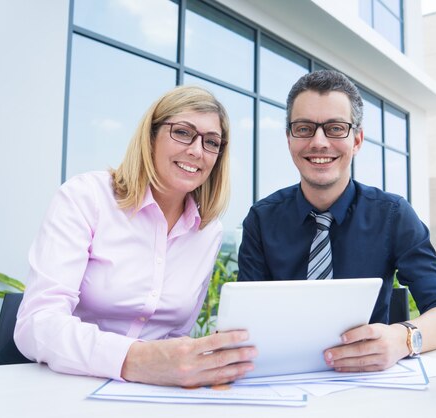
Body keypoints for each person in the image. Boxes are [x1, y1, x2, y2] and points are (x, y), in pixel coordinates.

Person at [15, 85, 257, 387]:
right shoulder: (86, 197)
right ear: (151, 136)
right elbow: (36, 324)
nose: (197, 150)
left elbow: (176, 334)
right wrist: (135, 360)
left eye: (211, 142)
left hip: (154, 394)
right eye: (183, 132)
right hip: (68, 386)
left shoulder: (208, 232)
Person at [238, 70, 436, 372]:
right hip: (281, 380)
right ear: (289, 138)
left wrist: (402, 339)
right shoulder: (261, 220)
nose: (319, 142)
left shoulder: (393, 215)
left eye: (335, 128)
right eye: (304, 128)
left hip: (368, 381)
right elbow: (247, 323)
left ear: (356, 139)